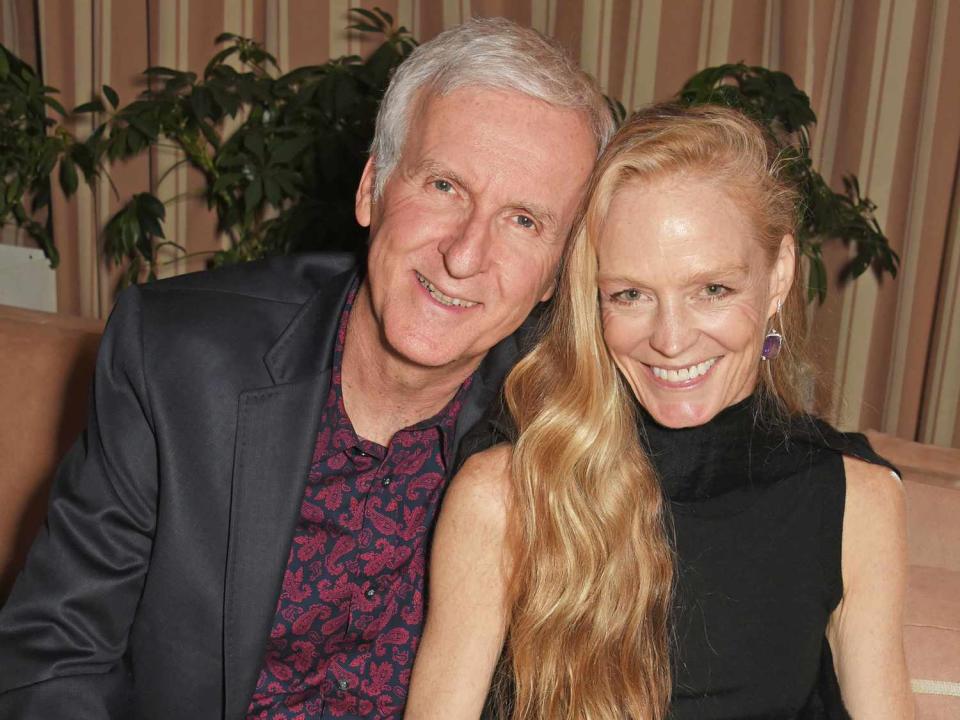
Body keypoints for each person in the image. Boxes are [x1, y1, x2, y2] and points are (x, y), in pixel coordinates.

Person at [0, 18, 613, 719]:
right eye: (444, 185)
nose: (465, 254)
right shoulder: (176, 360)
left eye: (524, 221)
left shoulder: (571, 429)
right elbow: (55, 653)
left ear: (553, 279)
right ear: (370, 189)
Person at [406, 104, 913, 720]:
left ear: (779, 273)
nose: (670, 340)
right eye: (631, 295)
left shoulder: (856, 500)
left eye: (712, 290)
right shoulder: (506, 495)